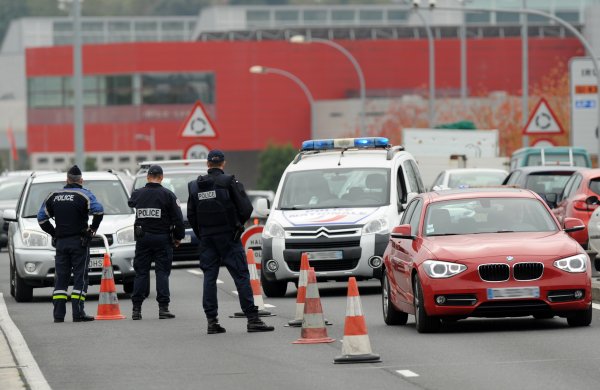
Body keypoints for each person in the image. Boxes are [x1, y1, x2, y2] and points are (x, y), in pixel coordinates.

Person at [187, 150, 274, 334]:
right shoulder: (229, 182)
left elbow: (191, 215)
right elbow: (246, 208)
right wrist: (237, 226)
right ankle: (252, 319)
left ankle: (212, 322)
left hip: (207, 239)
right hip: (229, 237)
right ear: (223, 164)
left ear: (208, 164)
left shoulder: (195, 186)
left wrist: (202, 234)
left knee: (209, 278)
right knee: (241, 276)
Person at [37, 165, 104, 323]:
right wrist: (92, 229)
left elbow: (41, 218)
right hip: (79, 242)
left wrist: (55, 234)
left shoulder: (53, 195)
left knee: (61, 279)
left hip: (61, 243)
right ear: (81, 180)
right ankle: (78, 313)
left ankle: (58, 315)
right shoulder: (85, 195)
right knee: (80, 277)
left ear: (66, 179)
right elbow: (99, 211)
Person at [128, 164, 185, 320]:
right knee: (162, 273)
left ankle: (136, 310)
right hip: (162, 238)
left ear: (147, 177)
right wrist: (178, 237)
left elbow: (130, 203)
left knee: (141, 273)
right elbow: (178, 220)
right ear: (161, 177)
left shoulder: (138, 194)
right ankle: (163, 309)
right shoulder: (168, 195)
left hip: (143, 238)